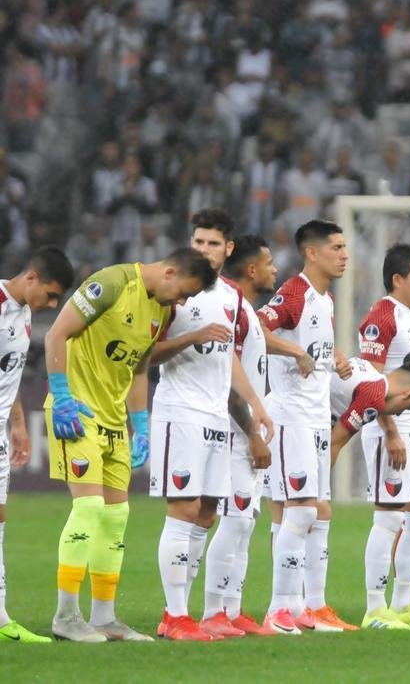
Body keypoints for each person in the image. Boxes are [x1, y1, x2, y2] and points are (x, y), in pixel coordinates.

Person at [46, 247, 215, 642]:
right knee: (88, 507)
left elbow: (139, 364)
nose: (182, 301)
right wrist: (61, 394)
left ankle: (104, 617)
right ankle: (66, 616)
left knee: (116, 518)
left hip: (113, 419)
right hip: (78, 411)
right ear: (170, 271)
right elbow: (57, 333)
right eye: (184, 292)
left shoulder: (161, 310)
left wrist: (140, 423)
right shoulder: (112, 283)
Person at [148, 210, 273, 642]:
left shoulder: (233, 297)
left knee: (204, 515)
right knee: (183, 510)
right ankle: (173, 615)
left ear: (228, 250)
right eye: (198, 242)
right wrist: (191, 337)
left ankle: (197, 615)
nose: (203, 250)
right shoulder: (171, 289)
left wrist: (256, 405)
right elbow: (148, 354)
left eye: (212, 244)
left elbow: (228, 358)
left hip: (218, 415)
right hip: (180, 410)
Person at [259, 220, 354, 633]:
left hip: (316, 417)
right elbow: (255, 330)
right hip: (291, 417)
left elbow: (314, 349)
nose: (344, 254)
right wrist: (292, 348)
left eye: (345, 247)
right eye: (336, 247)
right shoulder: (293, 292)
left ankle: (309, 607)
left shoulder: (325, 299)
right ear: (312, 253)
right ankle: (280, 608)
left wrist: (335, 358)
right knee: (300, 511)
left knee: (314, 512)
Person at [349, 243, 410, 629]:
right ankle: (375, 607)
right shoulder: (381, 316)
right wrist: (389, 431)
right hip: (388, 428)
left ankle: (404, 601)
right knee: (389, 518)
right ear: (398, 279)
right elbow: (370, 380)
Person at [199, 235, 289, 637]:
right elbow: (227, 375)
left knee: (246, 521)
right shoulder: (231, 305)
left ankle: (232, 611)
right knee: (234, 521)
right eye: (269, 263)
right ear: (252, 269)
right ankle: (212, 611)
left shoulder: (247, 309)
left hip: (246, 424)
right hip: (234, 427)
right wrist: (251, 430)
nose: (274, 270)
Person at [327, 353, 410, 627]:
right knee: (386, 520)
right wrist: (317, 491)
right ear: (409, 393)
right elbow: (335, 442)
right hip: (292, 417)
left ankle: (395, 605)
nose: (398, 414)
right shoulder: (374, 395)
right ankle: (374, 610)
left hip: (299, 413)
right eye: (406, 407)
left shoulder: (374, 381)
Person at [0, 248, 74, 643]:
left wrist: (17, 425)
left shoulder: (24, 313)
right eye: (50, 294)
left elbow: (6, 374)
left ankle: (0, 617)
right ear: (31, 277)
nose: (51, 304)